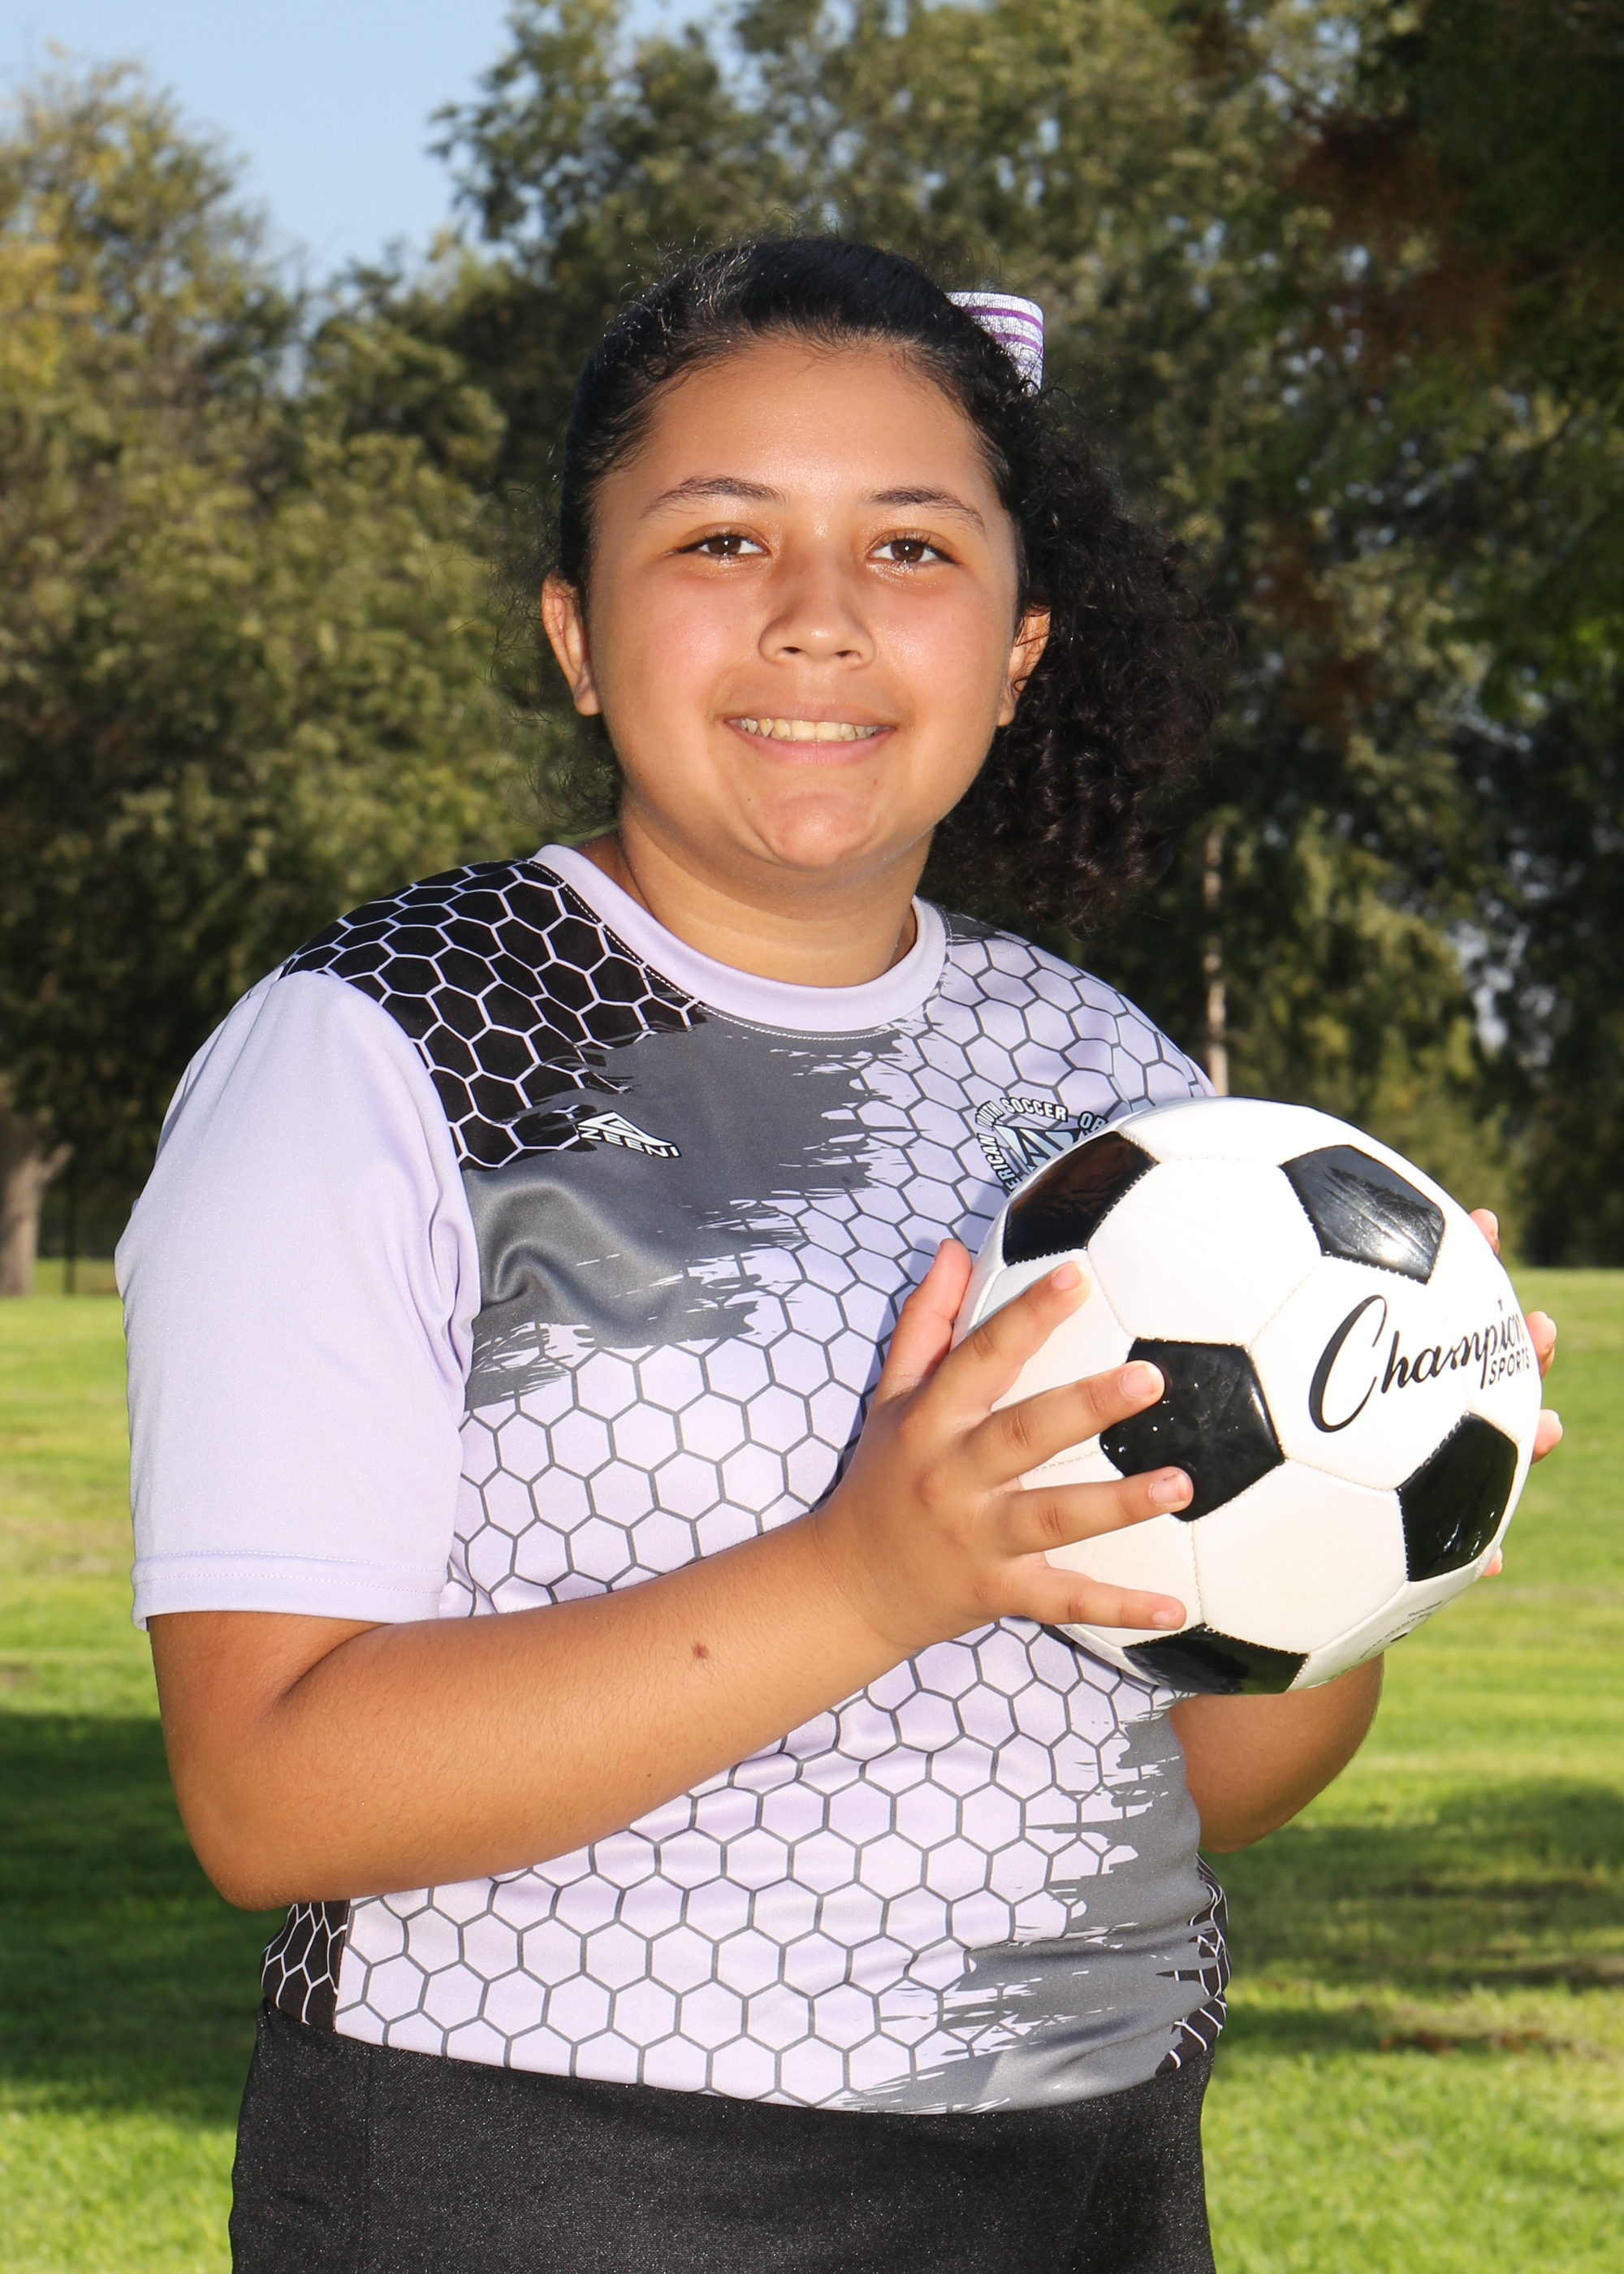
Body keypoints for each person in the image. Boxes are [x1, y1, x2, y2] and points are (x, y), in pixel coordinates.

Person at [119, 240, 1560, 2274]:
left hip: (1085, 2178)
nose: (818, 615)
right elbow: (268, 1791)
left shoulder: (1114, 1080)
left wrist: (1364, 1502)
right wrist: (871, 1571)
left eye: (910, 546)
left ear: (1021, 642)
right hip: (543, 2181)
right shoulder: (378, 1050)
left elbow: (1223, 1773)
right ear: (575, 629)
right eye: (721, 538)